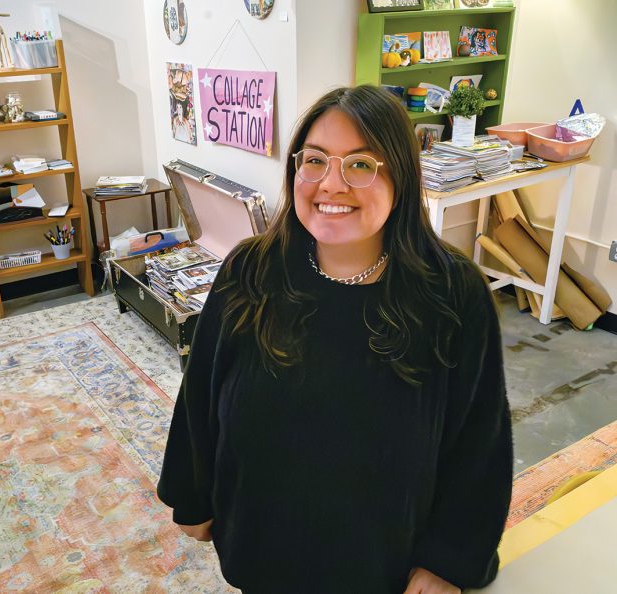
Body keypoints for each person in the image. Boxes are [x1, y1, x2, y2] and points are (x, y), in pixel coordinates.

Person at [157, 85, 512, 593]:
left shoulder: (452, 292)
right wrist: (192, 493)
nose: (331, 184)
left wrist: (448, 560)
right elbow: (201, 391)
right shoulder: (251, 269)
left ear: (402, 176)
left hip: (383, 563)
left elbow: (481, 440)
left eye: (361, 164)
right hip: (262, 549)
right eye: (315, 161)